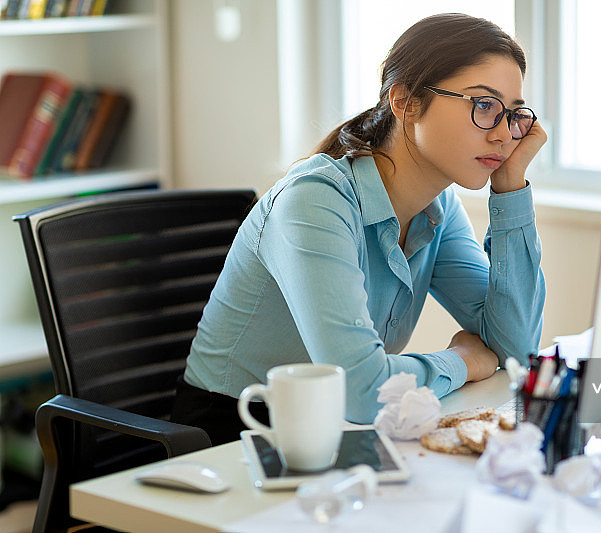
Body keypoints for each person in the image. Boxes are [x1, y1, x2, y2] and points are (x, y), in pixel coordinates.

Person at [172, 13, 548, 445]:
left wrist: (511, 188)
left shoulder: (436, 207)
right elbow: (361, 389)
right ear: (405, 102)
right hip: (236, 438)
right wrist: (462, 359)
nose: (504, 134)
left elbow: (516, 349)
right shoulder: (314, 201)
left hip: (340, 431)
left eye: (514, 114)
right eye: (484, 106)